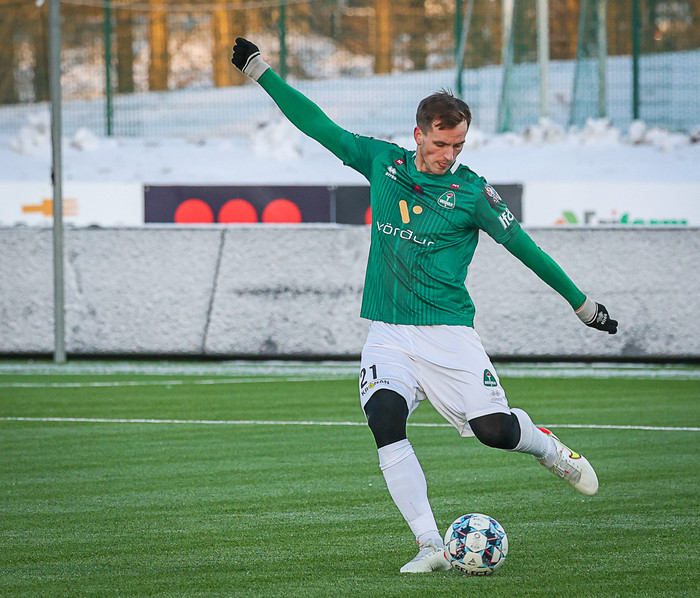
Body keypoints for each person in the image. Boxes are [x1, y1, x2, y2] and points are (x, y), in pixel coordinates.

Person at [231, 38, 618, 574]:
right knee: (384, 419)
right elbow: (318, 125)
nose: (448, 155)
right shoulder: (382, 163)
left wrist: (582, 304)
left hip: (447, 333)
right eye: (440, 144)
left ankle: (546, 447)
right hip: (389, 332)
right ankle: (430, 545)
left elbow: (526, 248)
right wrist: (261, 72)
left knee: (494, 432)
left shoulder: (473, 193)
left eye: (458, 145)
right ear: (418, 135)